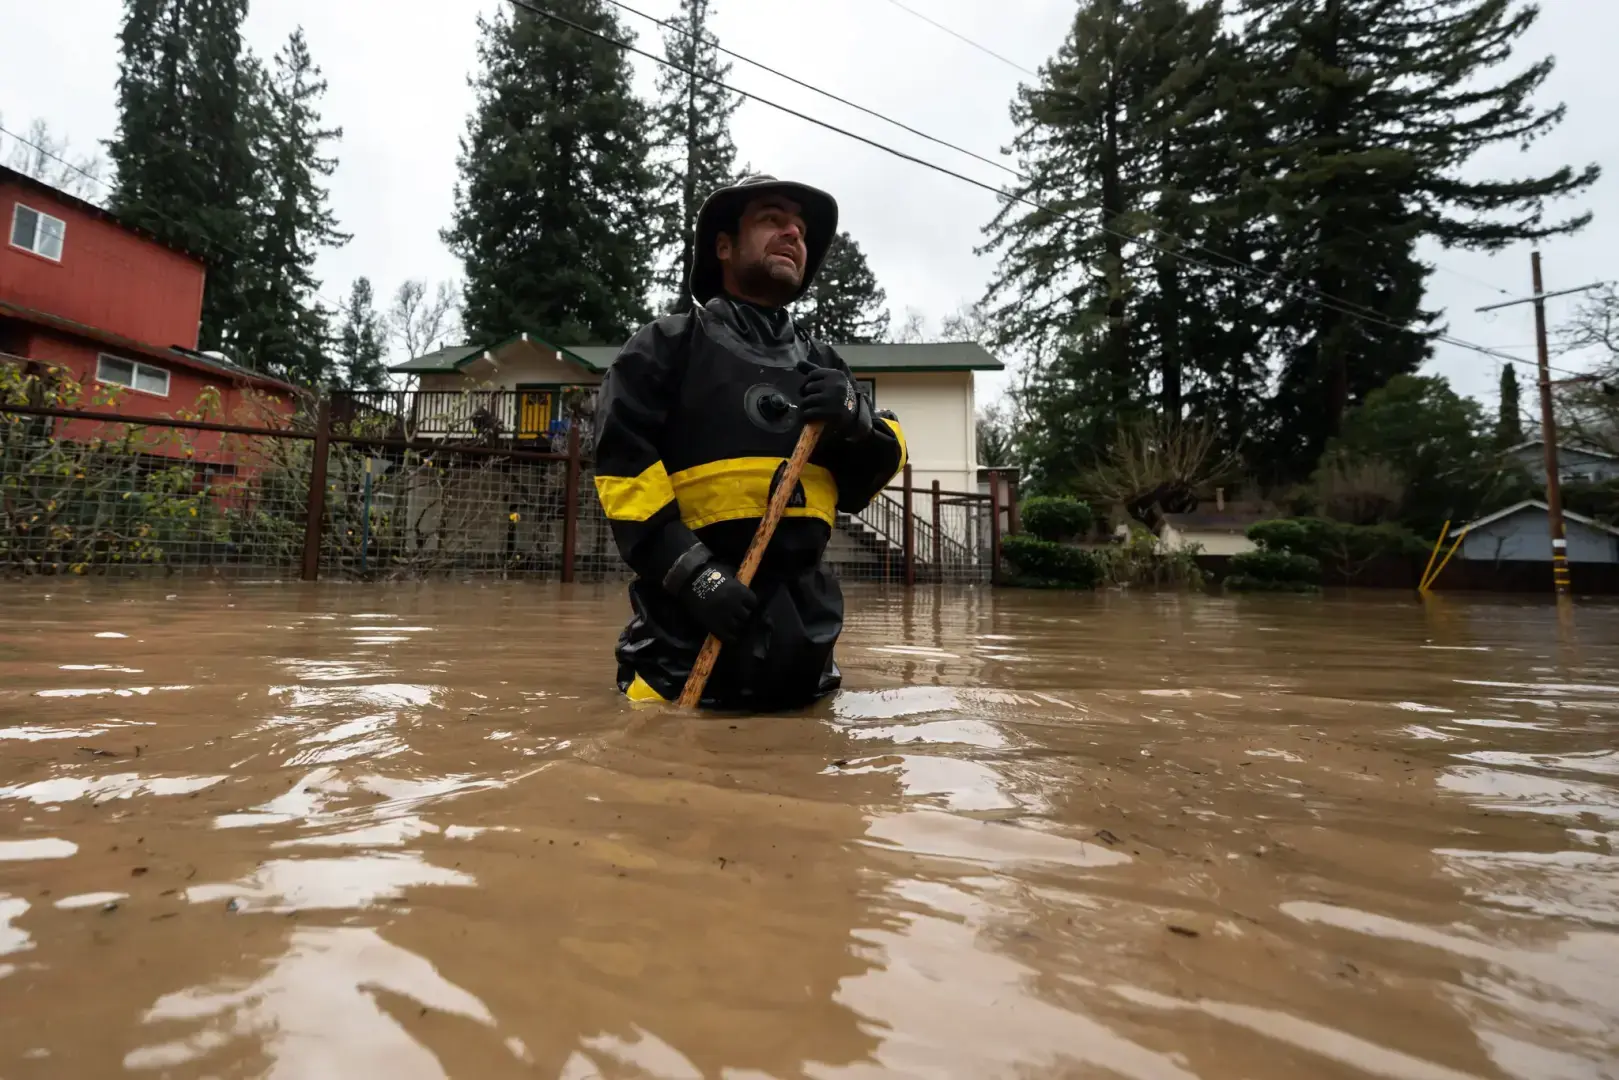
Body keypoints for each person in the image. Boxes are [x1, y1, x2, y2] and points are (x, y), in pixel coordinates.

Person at [592, 175, 907, 709]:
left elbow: (865, 480)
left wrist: (855, 418)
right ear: (723, 246)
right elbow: (625, 475)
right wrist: (695, 577)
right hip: (680, 661)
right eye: (771, 219)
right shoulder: (663, 349)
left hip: (807, 669)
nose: (792, 234)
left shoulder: (827, 368)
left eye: (802, 230)